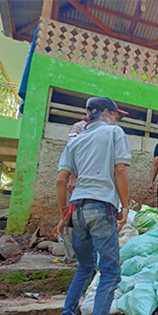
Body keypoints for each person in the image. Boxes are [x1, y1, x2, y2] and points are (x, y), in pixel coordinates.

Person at [55, 97, 131, 315]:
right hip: (101, 207)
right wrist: (125, 206)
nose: (118, 119)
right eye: (117, 114)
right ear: (107, 114)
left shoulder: (74, 141)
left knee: (85, 267)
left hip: (77, 210)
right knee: (110, 271)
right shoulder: (114, 133)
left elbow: (61, 179)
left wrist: (64, 213)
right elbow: (119, 170)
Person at [62, 98, 94, 263]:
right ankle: (72, 257)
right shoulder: (79, 128)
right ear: (88, 111)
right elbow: (72, 153)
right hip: (77, 183)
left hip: (90, 184)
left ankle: (83, 257)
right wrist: (73, 177)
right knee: (72, 219)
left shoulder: (98, 129)